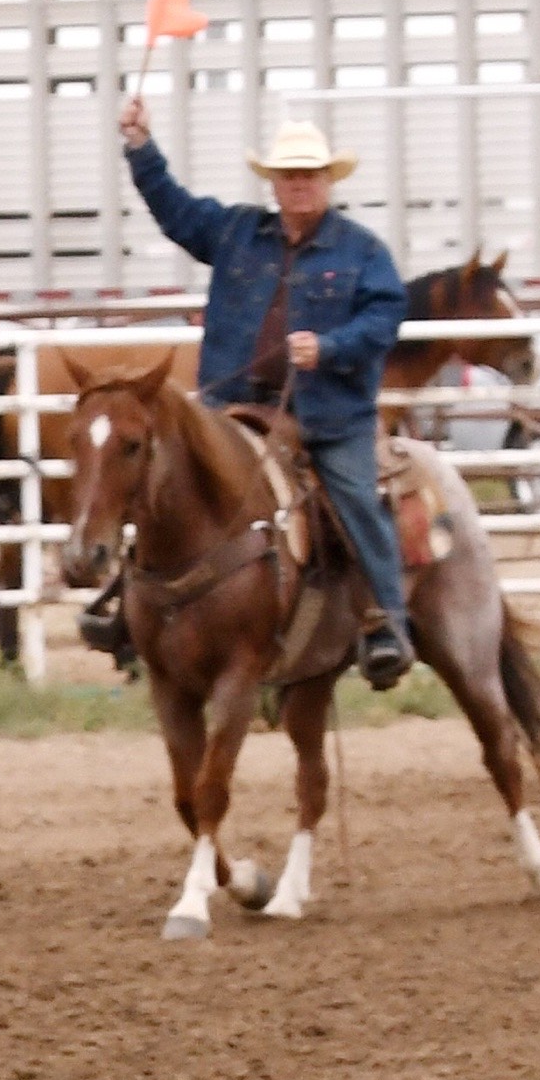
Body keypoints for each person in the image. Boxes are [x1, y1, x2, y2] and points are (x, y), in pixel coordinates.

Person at [113, 97, 416, 688]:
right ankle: (126, 603)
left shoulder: (363, 252)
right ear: (273, 183)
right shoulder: (235, 232)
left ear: (327, 181)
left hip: (326, 416)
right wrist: (141, 149)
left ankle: (387, 622)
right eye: (288, 176)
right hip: (234, 411)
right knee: (160, 484)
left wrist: (329, 349)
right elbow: (173, 209)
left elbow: (385, 318)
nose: (299, 185)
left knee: (354, 496)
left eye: (309, 175)